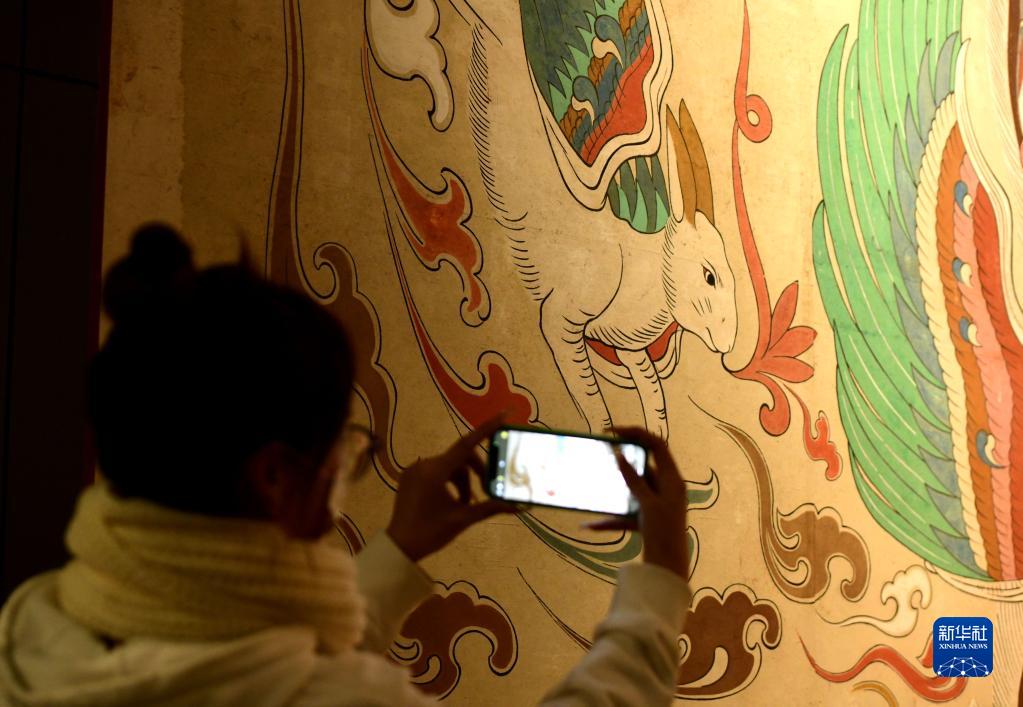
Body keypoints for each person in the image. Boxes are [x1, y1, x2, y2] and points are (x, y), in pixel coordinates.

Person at [0, 225, 691, 706]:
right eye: (344, 451)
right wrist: (660, 575)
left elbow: (253, 664)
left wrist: (399, 547)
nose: (347, 470)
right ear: (276, 476)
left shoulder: (35, 625)